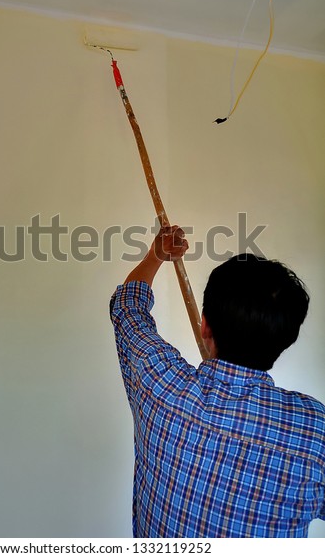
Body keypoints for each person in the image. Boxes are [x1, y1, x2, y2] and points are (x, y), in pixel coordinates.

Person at [110, 224, 325, 538]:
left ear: (205, 326)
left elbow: (128, 308)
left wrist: (157, 254)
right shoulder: (313, 433)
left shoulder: (159, 384)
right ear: (286, 339)